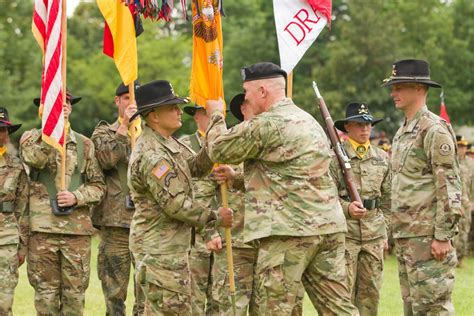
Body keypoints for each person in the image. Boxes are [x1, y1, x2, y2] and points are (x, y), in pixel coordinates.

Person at [205, 62, 357, 315]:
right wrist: (237, 176)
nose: (246, 98)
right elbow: (291, 175)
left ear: (262, 91)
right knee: (338, 308)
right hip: (328, 229)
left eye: (247, 92)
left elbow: (218, 149)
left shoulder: (269, 123)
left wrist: (216, 115)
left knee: (274, 309)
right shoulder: (308, 120)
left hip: (288, 233)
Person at [127, 80, 233, 314]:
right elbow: (176, 205)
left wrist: (216, 124)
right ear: (154, 116)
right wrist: (215, 218)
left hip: (170, 247)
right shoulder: (153, 154)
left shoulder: (167, 144)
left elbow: (196, 166)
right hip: (160, 250)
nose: (178, 112)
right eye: (172, 107)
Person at [382, 59, 461, 315]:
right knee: (414, 308)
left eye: (399, 86)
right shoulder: (403, 130)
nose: (393, 93)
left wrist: (442, 236)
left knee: (432, 309)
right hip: (408, 237)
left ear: (418, 88)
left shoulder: (433, 130)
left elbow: (448, 186)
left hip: (428, 239)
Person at [20, 93, 106, 315]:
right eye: (55, 104)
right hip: (42, 231)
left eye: (65, 103)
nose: (63, 107)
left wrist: (77, 197)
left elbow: (98, 186)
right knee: (45, 296)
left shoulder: (85, 144)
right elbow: (35, 159)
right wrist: (52, 129)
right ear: (42, 109)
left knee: (75, 296)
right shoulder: (31, 138)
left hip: (76, 233)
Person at [330, 102, 391, 315]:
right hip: (346, 235)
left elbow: (389, 200)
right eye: (359, 125)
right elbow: (326, 197)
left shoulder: (382, 158)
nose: (365, 129)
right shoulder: (335, 159)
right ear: (347, 127)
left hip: (374, 235)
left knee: (370, 294)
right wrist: (347, 208)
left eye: (368, 124)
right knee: (343, 294)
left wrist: (385, 231)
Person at [91, 81, 142, 315]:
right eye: (126, 99)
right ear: (117, 101)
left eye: (135, 100)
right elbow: (105, 160)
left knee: (148, 292)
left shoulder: (150, 134)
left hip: (147, 223)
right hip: (116, 225)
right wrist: (123, 126)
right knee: (114, 294)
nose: (132, 104)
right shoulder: (104, 132)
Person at [0, 107, 28, 315]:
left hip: (6, 238)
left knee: (4, 300)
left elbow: (23, 206)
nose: (0, 133)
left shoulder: (17, 165)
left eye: (3, 130)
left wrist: (22, 245)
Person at [453, 135, 473, 266]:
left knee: (465, 229)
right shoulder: (451, 161)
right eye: (459, 146)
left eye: (464, 147)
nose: (462, 149)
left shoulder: (471, 164)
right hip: (453, 202)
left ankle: (461, 258)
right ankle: (452, 257)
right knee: (453, 230)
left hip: (466, 202)